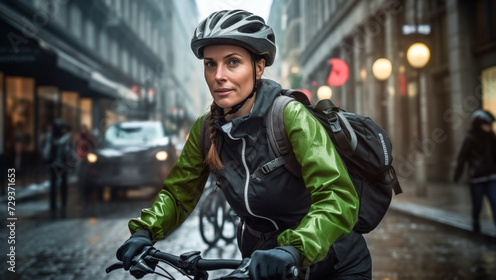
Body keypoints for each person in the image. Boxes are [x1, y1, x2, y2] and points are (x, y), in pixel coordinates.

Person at [116, 9, 371, 279]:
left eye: (233, 62)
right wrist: (145, 232)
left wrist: (293, 249)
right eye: (210, 64)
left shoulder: (289, 116)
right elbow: (178, 196)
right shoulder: (205, 129)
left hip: (333, 262)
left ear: (258, 67)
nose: (218, 75)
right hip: (260, 262)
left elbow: (338, 196)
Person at [454, 109, 496, 233]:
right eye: (486, 124)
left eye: (490, 124)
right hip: (477, 179)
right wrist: (457, 174)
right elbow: (462, 157)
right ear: (479, 124)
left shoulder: (493, 138)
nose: (489, 127)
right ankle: (475, 223)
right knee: (477, 205)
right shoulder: (470, 138)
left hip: (490, 178)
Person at [48, 119, 74, 218]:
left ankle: (55, 203)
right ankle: (61, 203)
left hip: (54, 164)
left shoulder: (51, 136)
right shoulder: (66, 138)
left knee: (55, 185)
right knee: (61, 185)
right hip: (61, 164)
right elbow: (69, 151)